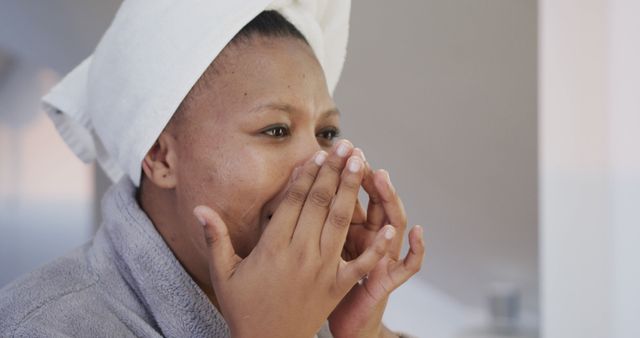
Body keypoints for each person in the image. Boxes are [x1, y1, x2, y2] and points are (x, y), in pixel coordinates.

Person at [0, 2, 424, 337]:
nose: (322, 163)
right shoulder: (37, 325)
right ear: (161, 157)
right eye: (276, 129)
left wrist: (366, 332)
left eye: (327, 132)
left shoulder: (315, 309)